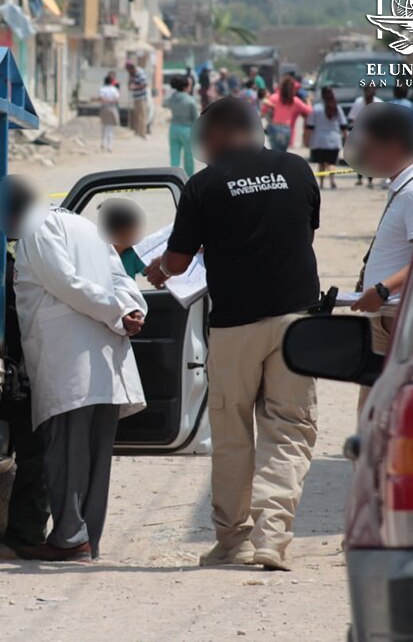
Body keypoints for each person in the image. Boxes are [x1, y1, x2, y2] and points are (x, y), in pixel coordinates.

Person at [147, 97, 320, 571]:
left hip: (233, 328)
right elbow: (300, 234)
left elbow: (178, 263)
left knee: (232, 433)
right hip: (296, 324)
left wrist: (160, 269)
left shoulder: (204, 185)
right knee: (289, 431)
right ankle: (273, 538)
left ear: (221, 132)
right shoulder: (299, 170)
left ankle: (232, 540)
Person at [0, 175, 148, 562]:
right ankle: (84, 540)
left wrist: (121, 312)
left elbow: (67, 283)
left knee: (65, 455)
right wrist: (132, 310)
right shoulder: (85, 226)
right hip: (104, 359)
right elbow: (121, 279)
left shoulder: (35, 229)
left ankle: (69, 539)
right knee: (94, 459)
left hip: (71, 360)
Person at [346, 104, 413, 411]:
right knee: (372, 409)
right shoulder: (403, 187)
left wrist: (384, 289)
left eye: (369, 148)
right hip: (385, 316)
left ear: (394, 147)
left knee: (382, 410)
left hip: (397, 316)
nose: (364, 156)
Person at [0, 249, 51, 562]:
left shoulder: (4, 265)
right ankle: (28, 536)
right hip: (20, 370)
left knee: (34, 456)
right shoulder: (9, 263)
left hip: (19, 371)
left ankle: (26, 538)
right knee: (34, 455)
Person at [304, 86, 347, 190]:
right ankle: (332, 180)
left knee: (321, 163)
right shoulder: (337, 108)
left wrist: (306, 140)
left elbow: (310, 126)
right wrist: (346, 138)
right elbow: (343, 126)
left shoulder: (316, 108)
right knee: (331, 163)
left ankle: (322, 183)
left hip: (319, 141)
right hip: (334, 140)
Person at [98, 198, 147, 278]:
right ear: (122, 232)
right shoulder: (96, 255)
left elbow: (151, 269)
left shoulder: (132, 253)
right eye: (135, 230)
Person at [263, 76, 311, 152]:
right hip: (286, 129)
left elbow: (264, 110)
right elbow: (309, 111)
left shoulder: (274, 98)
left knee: (274, 152)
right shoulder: (295, 101)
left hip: (274, 128)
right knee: (283, 153)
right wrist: (308, 100)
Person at [166, 75, 199, 176]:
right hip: (187, 130)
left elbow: (166, 104)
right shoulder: (190, 100)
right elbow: (196, 118)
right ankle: (188, 178)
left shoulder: (171, 98)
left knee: (174, 155)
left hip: (173, 128)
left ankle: (174, 176)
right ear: (185, 87)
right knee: (188, 156)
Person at [348, 85, 378, 187]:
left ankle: (365, 179)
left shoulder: (377, 102)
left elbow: (352, 118)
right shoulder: (360, 102)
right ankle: (365, 179)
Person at [125, 61, 149, 139]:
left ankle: (143, 133)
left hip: (141, 97)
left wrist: (135, 87)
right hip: (135, 97)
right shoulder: (131, 74)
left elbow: (144, 84)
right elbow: (130, 84)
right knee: (137, 116)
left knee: (142, 115)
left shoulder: (140, 73)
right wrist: (129, 86)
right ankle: (138, 132)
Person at [97, 74, 121, 152]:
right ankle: (109, 146)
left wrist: (106, 101)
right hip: (112, 108)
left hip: (104, 108)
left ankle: (103, 144)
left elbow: (101, 98)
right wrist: (110, 101)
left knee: (104, 126)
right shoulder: (114, 89)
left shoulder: (102, 89)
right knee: (110, 128)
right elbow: (117, 99)